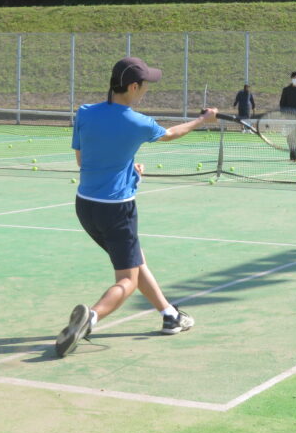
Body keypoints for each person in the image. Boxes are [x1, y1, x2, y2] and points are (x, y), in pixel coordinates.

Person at [55, 56, 219, 358]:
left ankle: (170, 315)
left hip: (85, 207)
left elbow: (83, 160)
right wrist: (202, 120)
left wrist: (128, 167)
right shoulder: (137, 122)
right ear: (133, 87)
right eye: (145, 85)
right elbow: (172, 134)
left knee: (135, 260)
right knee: (127, 280)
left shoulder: (85, 112)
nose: (146, 90)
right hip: (117, 210)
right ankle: (90, 318)